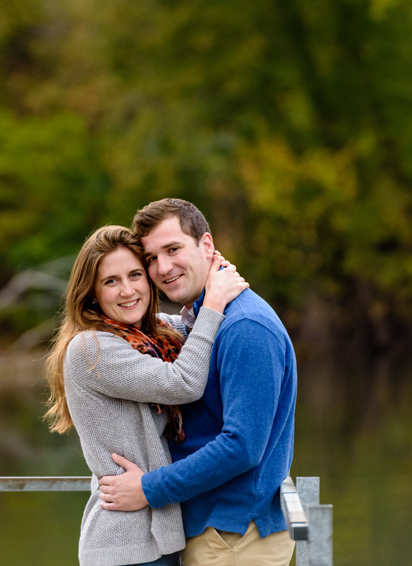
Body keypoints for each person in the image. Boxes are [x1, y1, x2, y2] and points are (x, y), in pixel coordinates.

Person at [96, 199, 299, 566]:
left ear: (206, 246)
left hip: (234, 540)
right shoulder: (203, 317)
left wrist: (149, 488)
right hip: (214, 533)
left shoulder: (245, 327)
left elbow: (242, 446)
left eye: (173, 249)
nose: (163, 267)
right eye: (152, 258)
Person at [46, 225, 248, 566]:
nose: (128, 290)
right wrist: (214, 302)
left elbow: (192, 329)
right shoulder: (91, 348)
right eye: (111, 281)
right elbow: (183, 382)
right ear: (92, 292)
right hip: (124, 542)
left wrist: (211, 271)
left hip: (158, 539)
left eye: (136, 275)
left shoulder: (153, 335)